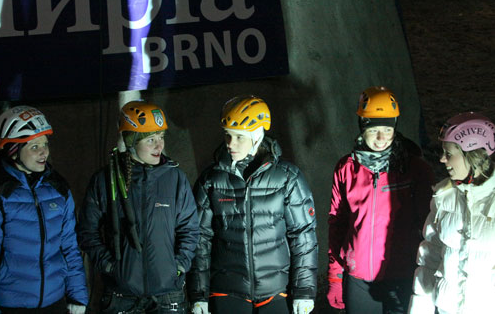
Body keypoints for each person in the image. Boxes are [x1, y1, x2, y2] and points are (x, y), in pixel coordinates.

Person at [187, 95, 318, 314]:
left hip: (276, 290)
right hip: (227, 290)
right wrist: (198, 294)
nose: (230, 144)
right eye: (228, 136)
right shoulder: (211, 180)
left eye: (239, 137)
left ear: (257, 137)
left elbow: (303, 235)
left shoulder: (287, 177)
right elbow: (200, 238)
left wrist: (304, 290)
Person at [77, 100, 199, 313]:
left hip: (167, 294)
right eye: (150, 139)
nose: (159, 146)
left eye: (160, 137)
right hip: (121, 296)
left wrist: (178, 267)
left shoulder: (175, 178)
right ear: (131, 141)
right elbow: (87, 231)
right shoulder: (105, 180)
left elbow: (190, 229)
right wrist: (109, 267)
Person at [327, 86, 434, 314]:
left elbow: (430, 224)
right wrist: (335, 276)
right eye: (374, 130)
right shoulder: (347, 169)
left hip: (403, 275)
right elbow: (337, 223)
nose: (381, 138)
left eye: (387, 130)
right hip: (359, 278)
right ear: (362, 128)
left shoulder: (414, 169)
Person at [0, 106, 88, 313]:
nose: (44, 152)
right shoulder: (0, 193)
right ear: (14, 151)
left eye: (45, 144)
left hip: (54, 302)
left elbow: (70, 248)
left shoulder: (58, 188)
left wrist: (77, 296)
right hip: (11, 305)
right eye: (34, 146)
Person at [408, 112, 495, 314]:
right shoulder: (444, 197)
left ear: (473, 155)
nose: (442, 159)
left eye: (449, 153)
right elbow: (428, 261)